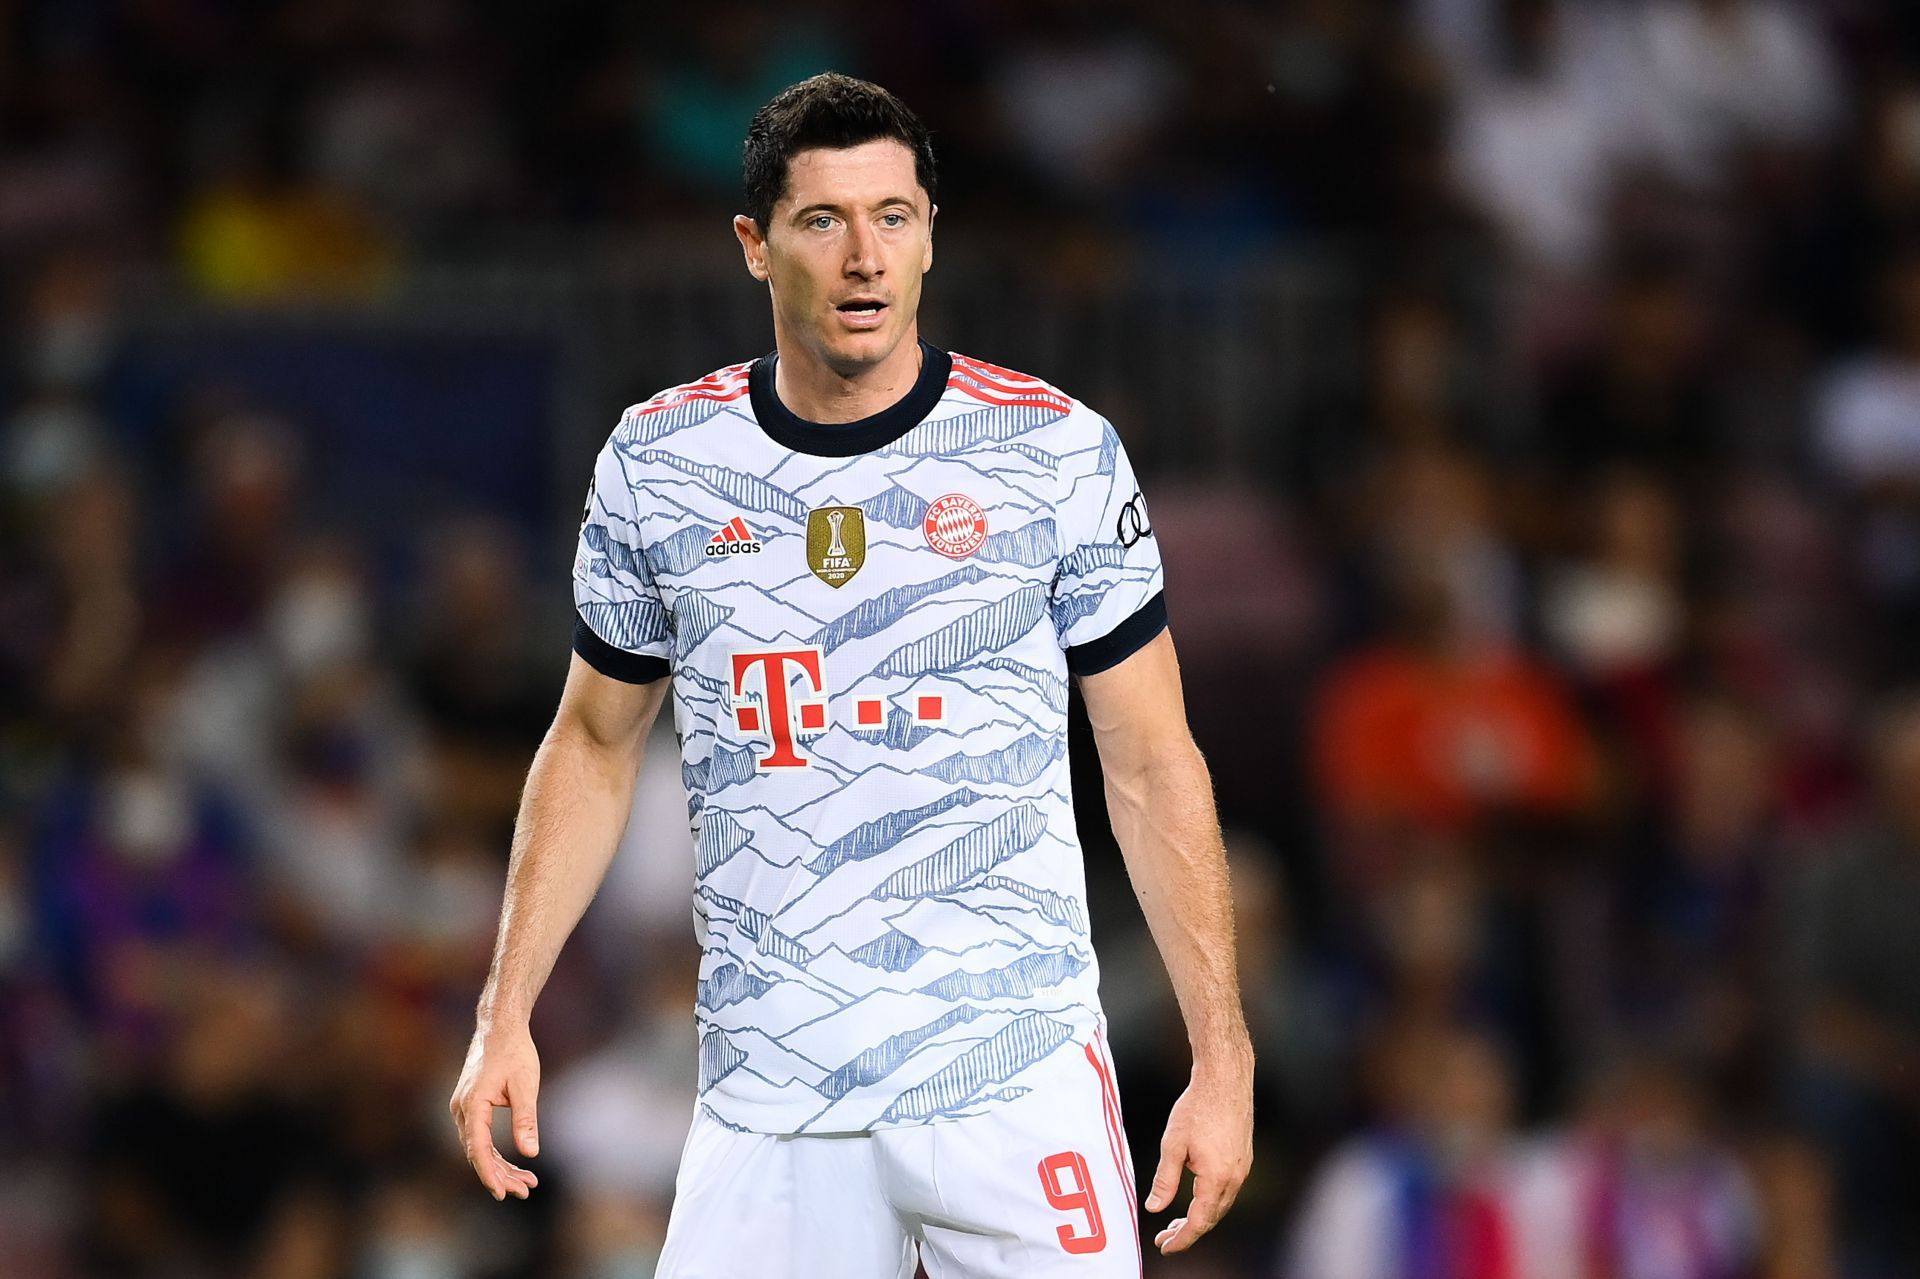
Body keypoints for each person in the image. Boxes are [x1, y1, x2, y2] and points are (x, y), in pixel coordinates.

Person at [448, 72, 1253, 1278]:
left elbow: (1148, 758)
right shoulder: (661, 465)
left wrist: (1220, 1050)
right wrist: (503, 1008)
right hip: (773, 1091)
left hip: (1012, 1072)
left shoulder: (1055, 453)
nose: (863, 254)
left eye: (894, 216)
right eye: (822, 219)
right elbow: (595, 743)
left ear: (933, 233)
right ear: (754, 246)